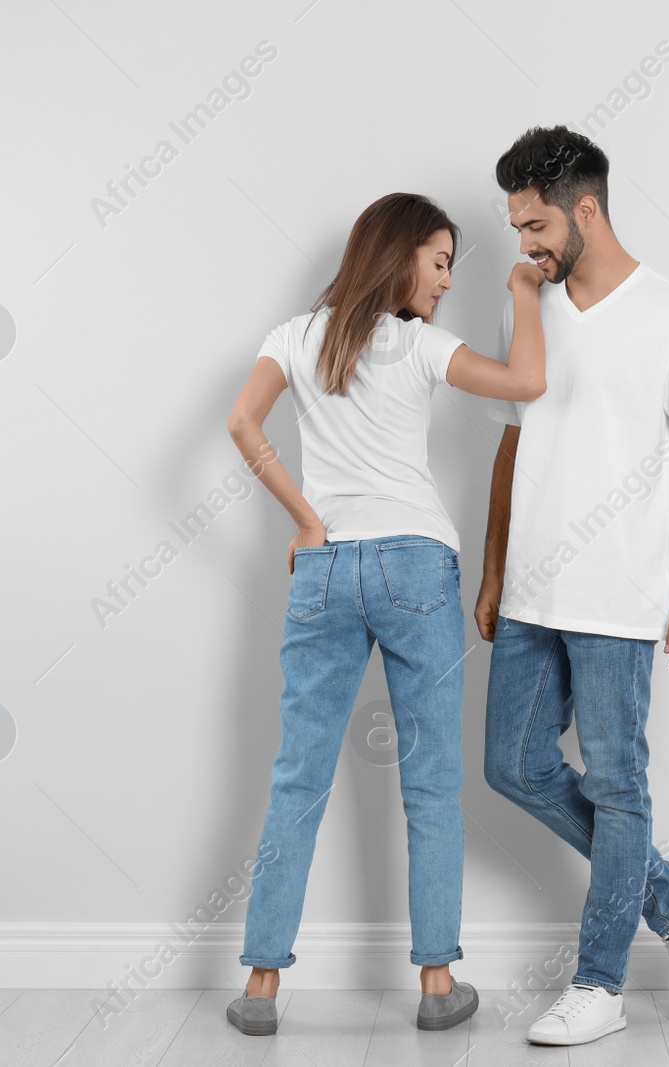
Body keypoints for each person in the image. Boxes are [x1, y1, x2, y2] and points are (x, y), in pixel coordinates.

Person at [224, 192, 546, 1036]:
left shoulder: (295, 338)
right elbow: (529, 384)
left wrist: (304, 518)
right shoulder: (420, 345)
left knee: (298, 777)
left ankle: (260, 989)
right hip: (416, 566)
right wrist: (521, 291)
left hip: (324, 570)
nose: (444, 281)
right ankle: (437, 983)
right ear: (400, 254)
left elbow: (241, 422)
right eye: (440, 262)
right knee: (432, 782)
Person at [477, 127, 669, 1047]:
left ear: (586, 207)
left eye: (538, 224)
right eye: (518, 227)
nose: (528, 245)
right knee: (512, 764)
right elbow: (514, 440)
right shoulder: (533, 305)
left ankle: (600, 984)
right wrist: (494, 567)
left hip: (620, 593)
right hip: (528, 595)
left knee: (621, 785)